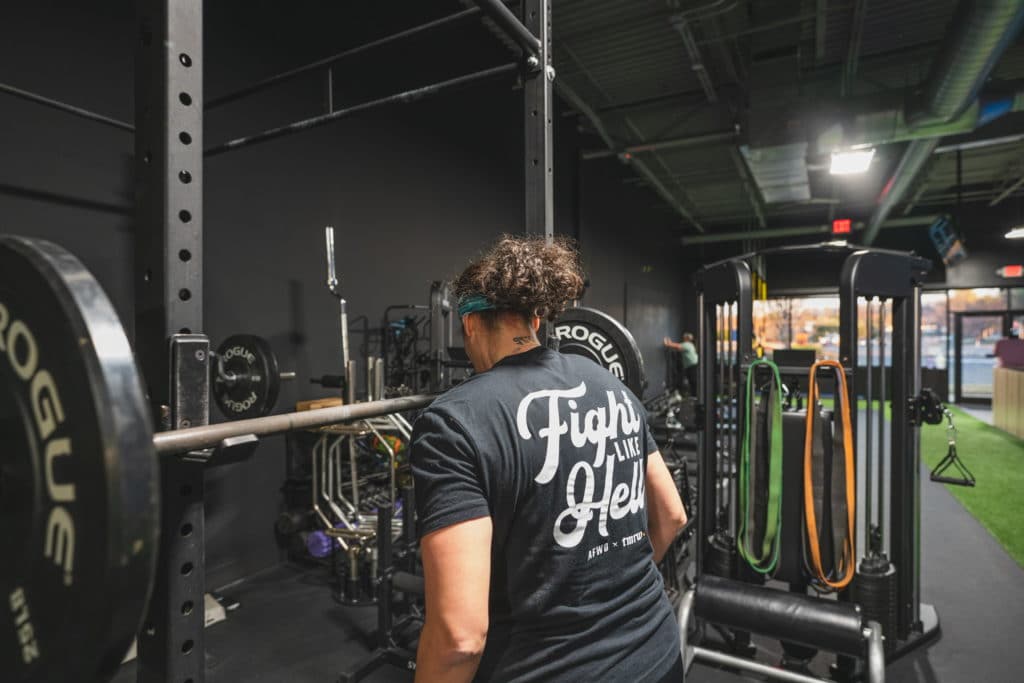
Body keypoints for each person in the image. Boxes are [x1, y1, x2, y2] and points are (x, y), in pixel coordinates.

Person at [410, 235, 687, 683]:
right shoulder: (611, 387)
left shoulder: (454, 423)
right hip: (656, 655)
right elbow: (672, 516)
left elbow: (460, 638)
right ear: (534, 318)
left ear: (470, 326)